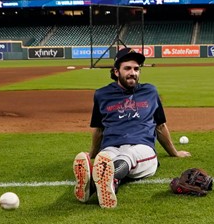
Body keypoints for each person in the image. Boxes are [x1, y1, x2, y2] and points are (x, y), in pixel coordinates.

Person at [72, 47, 190, 209]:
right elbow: (99, 129)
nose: (133, 73)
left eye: (136, 69)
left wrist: (174, 153)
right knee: (107, 157)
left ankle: (93, 184)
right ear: (116, 71)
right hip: (111, 146)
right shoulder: (102, 94)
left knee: (128, 156)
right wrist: (92, 154)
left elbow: (160, 126)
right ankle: (107, 181)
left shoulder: (150, 91)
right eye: (127, 68)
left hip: (142, 146)